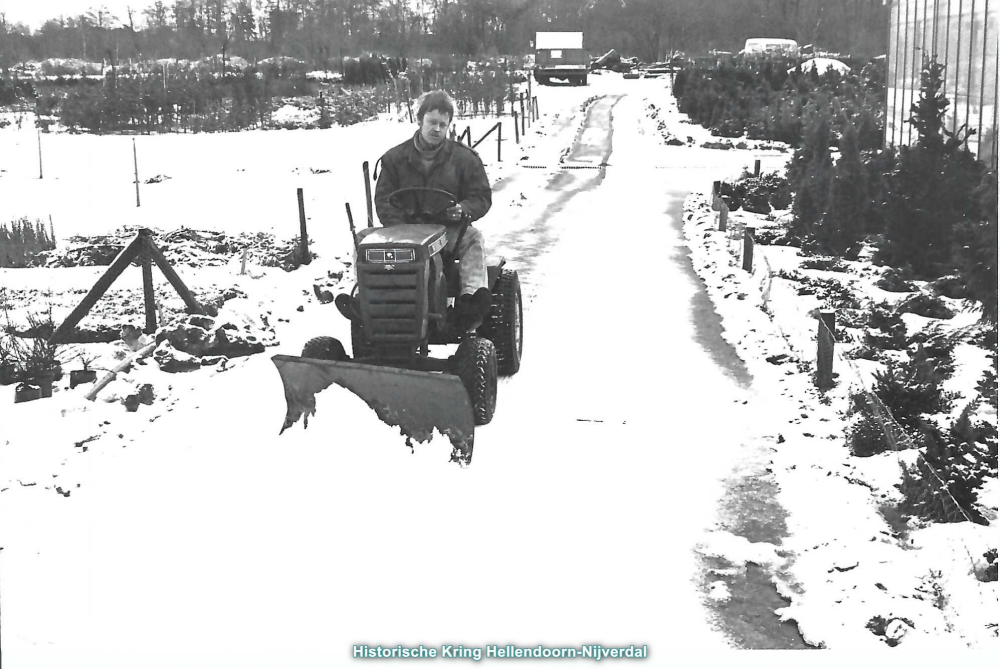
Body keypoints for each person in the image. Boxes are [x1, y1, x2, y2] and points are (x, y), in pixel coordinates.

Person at [373, 90, 493, 330]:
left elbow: (481, 197)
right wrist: (401, 227)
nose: (436, 129)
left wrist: (462, 209)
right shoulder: (394, 159)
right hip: (403, 232)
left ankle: (470, 301)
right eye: (431, 122)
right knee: (364, 241)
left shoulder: (465, 159)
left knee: (473, 238)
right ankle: (369, 302)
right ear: (419, 121)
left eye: (442, 124)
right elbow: (384, 200)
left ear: (449, 126)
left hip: (446, 232)